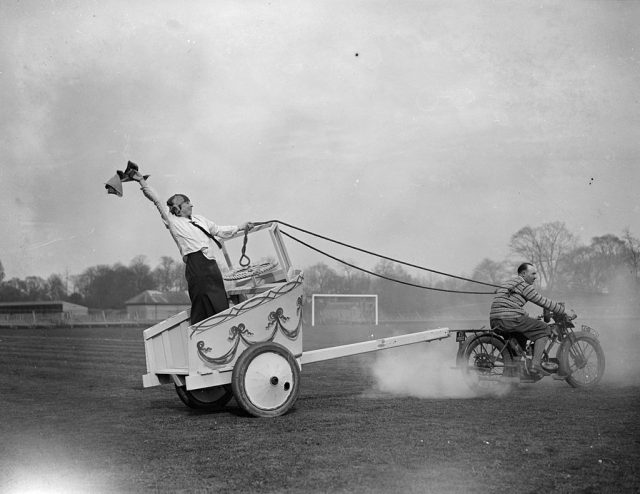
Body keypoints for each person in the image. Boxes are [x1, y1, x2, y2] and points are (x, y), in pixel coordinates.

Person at [131, 170, 252, 325]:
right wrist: (141, 181)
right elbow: (157, 201)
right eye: (186, 202)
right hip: (196, 266)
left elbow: (219, 230)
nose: (190, 204)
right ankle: (200, 337)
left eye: (189, 202)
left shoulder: (200, 219)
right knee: (202, 305)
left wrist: (241, 227)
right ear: (177, 208)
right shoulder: (172, 222)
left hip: (211, 266)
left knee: (220, 303)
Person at [489, 262, 573, 375]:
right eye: (533, 274)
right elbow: (542, 301)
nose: (535, 277)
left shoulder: (508, 284)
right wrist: (564, 311)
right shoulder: (524, 286)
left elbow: (510, 305)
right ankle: (535, 365)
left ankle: (515, 372)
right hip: (509, 319)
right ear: (523, 274)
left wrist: (527, 317)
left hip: (495, 320)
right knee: (544, 328)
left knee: (521, 336)